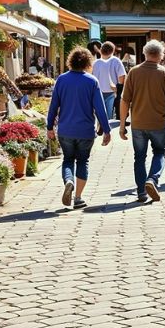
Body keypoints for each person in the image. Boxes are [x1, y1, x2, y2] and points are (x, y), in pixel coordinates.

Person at [45, 47, 112, 208]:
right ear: (88, 62)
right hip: (85, 131)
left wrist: (49, 127)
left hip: (65, 130)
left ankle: (69, 181)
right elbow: (100, 108)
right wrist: (107, 130)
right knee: (83, 161)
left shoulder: (61, 80)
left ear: (71, 61)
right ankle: (78, 197)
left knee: (68, 160)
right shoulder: (91, 81)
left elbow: (53, 106)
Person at [116, 39, 165, 203]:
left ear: (145, 53)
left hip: (137, 123)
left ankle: (141, 192)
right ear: (161, 55)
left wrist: (122, 125)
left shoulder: (134, 72)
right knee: (159, 152)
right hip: (157, 123)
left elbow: (125, 101)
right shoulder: (164, 73)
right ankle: (152, 179)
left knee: (139, 157)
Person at [88, 41, 125, 120]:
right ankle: (107, 130)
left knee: (98, 114)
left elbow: (90, 77)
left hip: (97, 91)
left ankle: (100, 128)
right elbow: (122, 76)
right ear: (113, 51)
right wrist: (119, 89)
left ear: (101, 50)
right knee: (109, 116)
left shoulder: (95, 63)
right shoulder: (116, 61)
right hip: (111, 92)